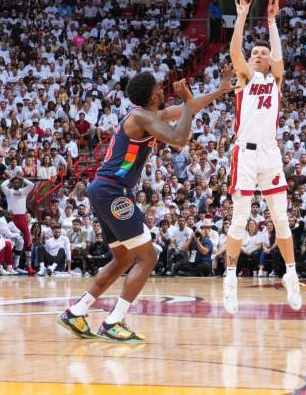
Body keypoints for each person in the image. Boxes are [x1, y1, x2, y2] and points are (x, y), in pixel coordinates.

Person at [57, 72, 232, 342]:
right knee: (148, 257)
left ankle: (76, 311)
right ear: (152, 96)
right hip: (113, 190)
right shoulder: (141, 118)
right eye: (160, 88)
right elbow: (179, 138)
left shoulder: (148, 116)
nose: (164, 91)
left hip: (103, 189)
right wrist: (187, 101)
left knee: (123, 260)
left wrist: (220, 90)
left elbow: (186, 109)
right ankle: (113, 322)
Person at [222, 0, 302, 315]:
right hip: (245, 153)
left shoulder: (275, 80)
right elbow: (235, 53)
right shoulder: (245, 78)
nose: (258, 55)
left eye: (263, 53)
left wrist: (271, 22)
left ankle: (291, 275)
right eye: (255, 53)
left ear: (269, 61)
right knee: (239, 219)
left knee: (281, 218)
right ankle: (229, 279)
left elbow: (280, 60)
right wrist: (242, 16)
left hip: (270, 154)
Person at [1, 174, 35, 274]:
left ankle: (27, 266)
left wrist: (22, 178)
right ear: (12, 183)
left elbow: (32, 185)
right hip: (12, 219)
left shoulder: (23, 191)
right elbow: (3, 185)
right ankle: (8, 266)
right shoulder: (9, 192)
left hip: (22, 218)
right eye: (14, 182)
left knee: (27, 242)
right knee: (11, 242)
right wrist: (11, 178)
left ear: (20, 183)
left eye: (18, 182)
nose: (16, 183)